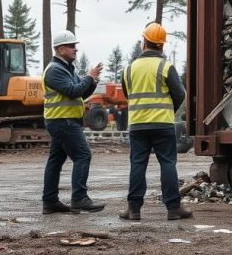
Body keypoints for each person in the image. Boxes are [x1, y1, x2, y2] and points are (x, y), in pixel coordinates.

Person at [118, 23, 193, 221]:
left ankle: (133, 209)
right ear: (162, 45)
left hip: (137, 125)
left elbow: (129, 95)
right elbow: (179, 94)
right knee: (167, 163)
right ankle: (173, 209)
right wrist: (168, 111)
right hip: (162, 124)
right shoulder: (165, 67)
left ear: (144, 42)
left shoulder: (129, 69)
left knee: (137, 164)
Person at [41, 29, 105, 214]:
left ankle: (50, 201)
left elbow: (81, 92)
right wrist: (90, 76)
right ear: (60, 49)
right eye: (71, 46)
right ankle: (79, 198)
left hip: (63, 120)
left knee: (56, 160)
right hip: (63, 121)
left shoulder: (66, 68)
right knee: (83, 155)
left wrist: (92, 81)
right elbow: (73, 90)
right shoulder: (54, 70)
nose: (75, 49)